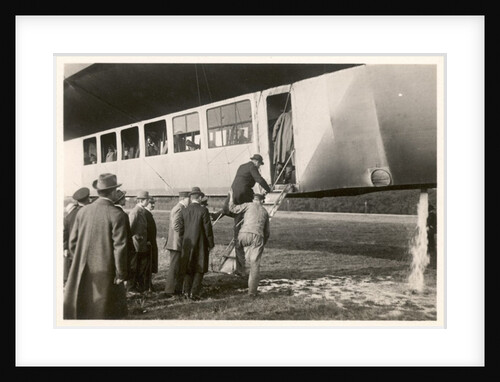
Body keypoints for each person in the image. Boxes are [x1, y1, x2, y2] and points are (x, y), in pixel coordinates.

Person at [63, 173, 129, 319]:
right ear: (112, 192)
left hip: (82, 267)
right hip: (107, 269)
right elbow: (120, 247)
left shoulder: (83, 211)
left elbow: (72, 242)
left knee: (83, 305)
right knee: (106, 311)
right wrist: (121, 273)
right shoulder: (117, 214)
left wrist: (79, 260)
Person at [230, 154, 271, 276]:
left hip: (236, 195)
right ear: (256, 162)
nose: (259, 166)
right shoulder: (252, 167)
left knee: (238, 231)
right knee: (253, 209)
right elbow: (259, 179)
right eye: (259, 164)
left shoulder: (242, 166)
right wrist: (268, 189)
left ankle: (240, 268)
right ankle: (247, 269)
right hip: (244, 195)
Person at [175, 187, 214, 301]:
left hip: (187, 245)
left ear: (191, 198)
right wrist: (211, 244)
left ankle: (186, 292)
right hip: (200, 244)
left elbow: (180, 229)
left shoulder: (183, 211)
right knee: (199, 268)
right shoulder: (203, 211)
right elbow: (208, 230)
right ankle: (194, 293)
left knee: (188, 268)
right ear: (200, 197)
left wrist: (185, 239)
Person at [229, 192, 270, 296]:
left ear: (253, 199)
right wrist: (262, 244)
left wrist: (231, 196)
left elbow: (232, 208)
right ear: (262, 201)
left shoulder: (248, 205)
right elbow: (267, 232)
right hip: (257, 236)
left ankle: (241, 268)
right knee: (254, 264)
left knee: (239, 247)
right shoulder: (265, 211)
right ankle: (252, 292)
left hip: (243, 235)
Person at [163, 191, 190, 298]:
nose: (190, 200)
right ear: (183, 198)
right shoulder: (179, 208)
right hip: (176, 243)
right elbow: (176, 226)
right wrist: (186, 233)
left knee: (177, 267)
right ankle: (169, 290)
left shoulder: (180, 207)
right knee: (174, 267)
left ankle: (175, 289)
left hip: (177, 243)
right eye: (189, 198)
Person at [63, 187, 91, 287]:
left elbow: (64, 232)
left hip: (72, 250)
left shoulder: (69, 215)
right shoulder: (88, 213)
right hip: (85, 249)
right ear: (88, 198)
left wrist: (65, 247)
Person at [113, 189, 135, 294]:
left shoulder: (113, 212)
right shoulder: (122, 214)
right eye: (123, 198)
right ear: (120, 200)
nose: (125, 200)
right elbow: (125, 235)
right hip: (123, 248)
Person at [128, 191, 151, 293]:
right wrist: (136, 238)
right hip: (136, 244)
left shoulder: (141, 211)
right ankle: (131, 288)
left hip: (141, 244)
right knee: (134, 266)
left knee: (140, 266)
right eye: (147, 200)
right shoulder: (135, 212)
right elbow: (130, 229)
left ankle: (137, 286)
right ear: (142, 200)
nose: (148, 202)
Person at [272, 108, 295, 184]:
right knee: (289, 162)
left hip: (281, 142)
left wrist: (274, 138)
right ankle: (286, 180)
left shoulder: (283, 115)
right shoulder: (295, 116)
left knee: (280, 160)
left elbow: (276, 126)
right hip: (291, 142)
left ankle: (278, 178)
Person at [144, 197, 158, 292]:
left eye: (153, 203)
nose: (153, 205)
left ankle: (148, 284)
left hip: (151, 243)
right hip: (148, 243)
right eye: (151, 203)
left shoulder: (147, 213)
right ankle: (147, 285)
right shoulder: (145, 214)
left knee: (150, 264)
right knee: (147, 265)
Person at [427, 204, 437, 268]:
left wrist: (429, 226)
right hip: (431, 231)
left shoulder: (431, 215)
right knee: (431, 244)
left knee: (430, 244)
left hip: (430, 231)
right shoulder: (432, 214)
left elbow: (431, 223)